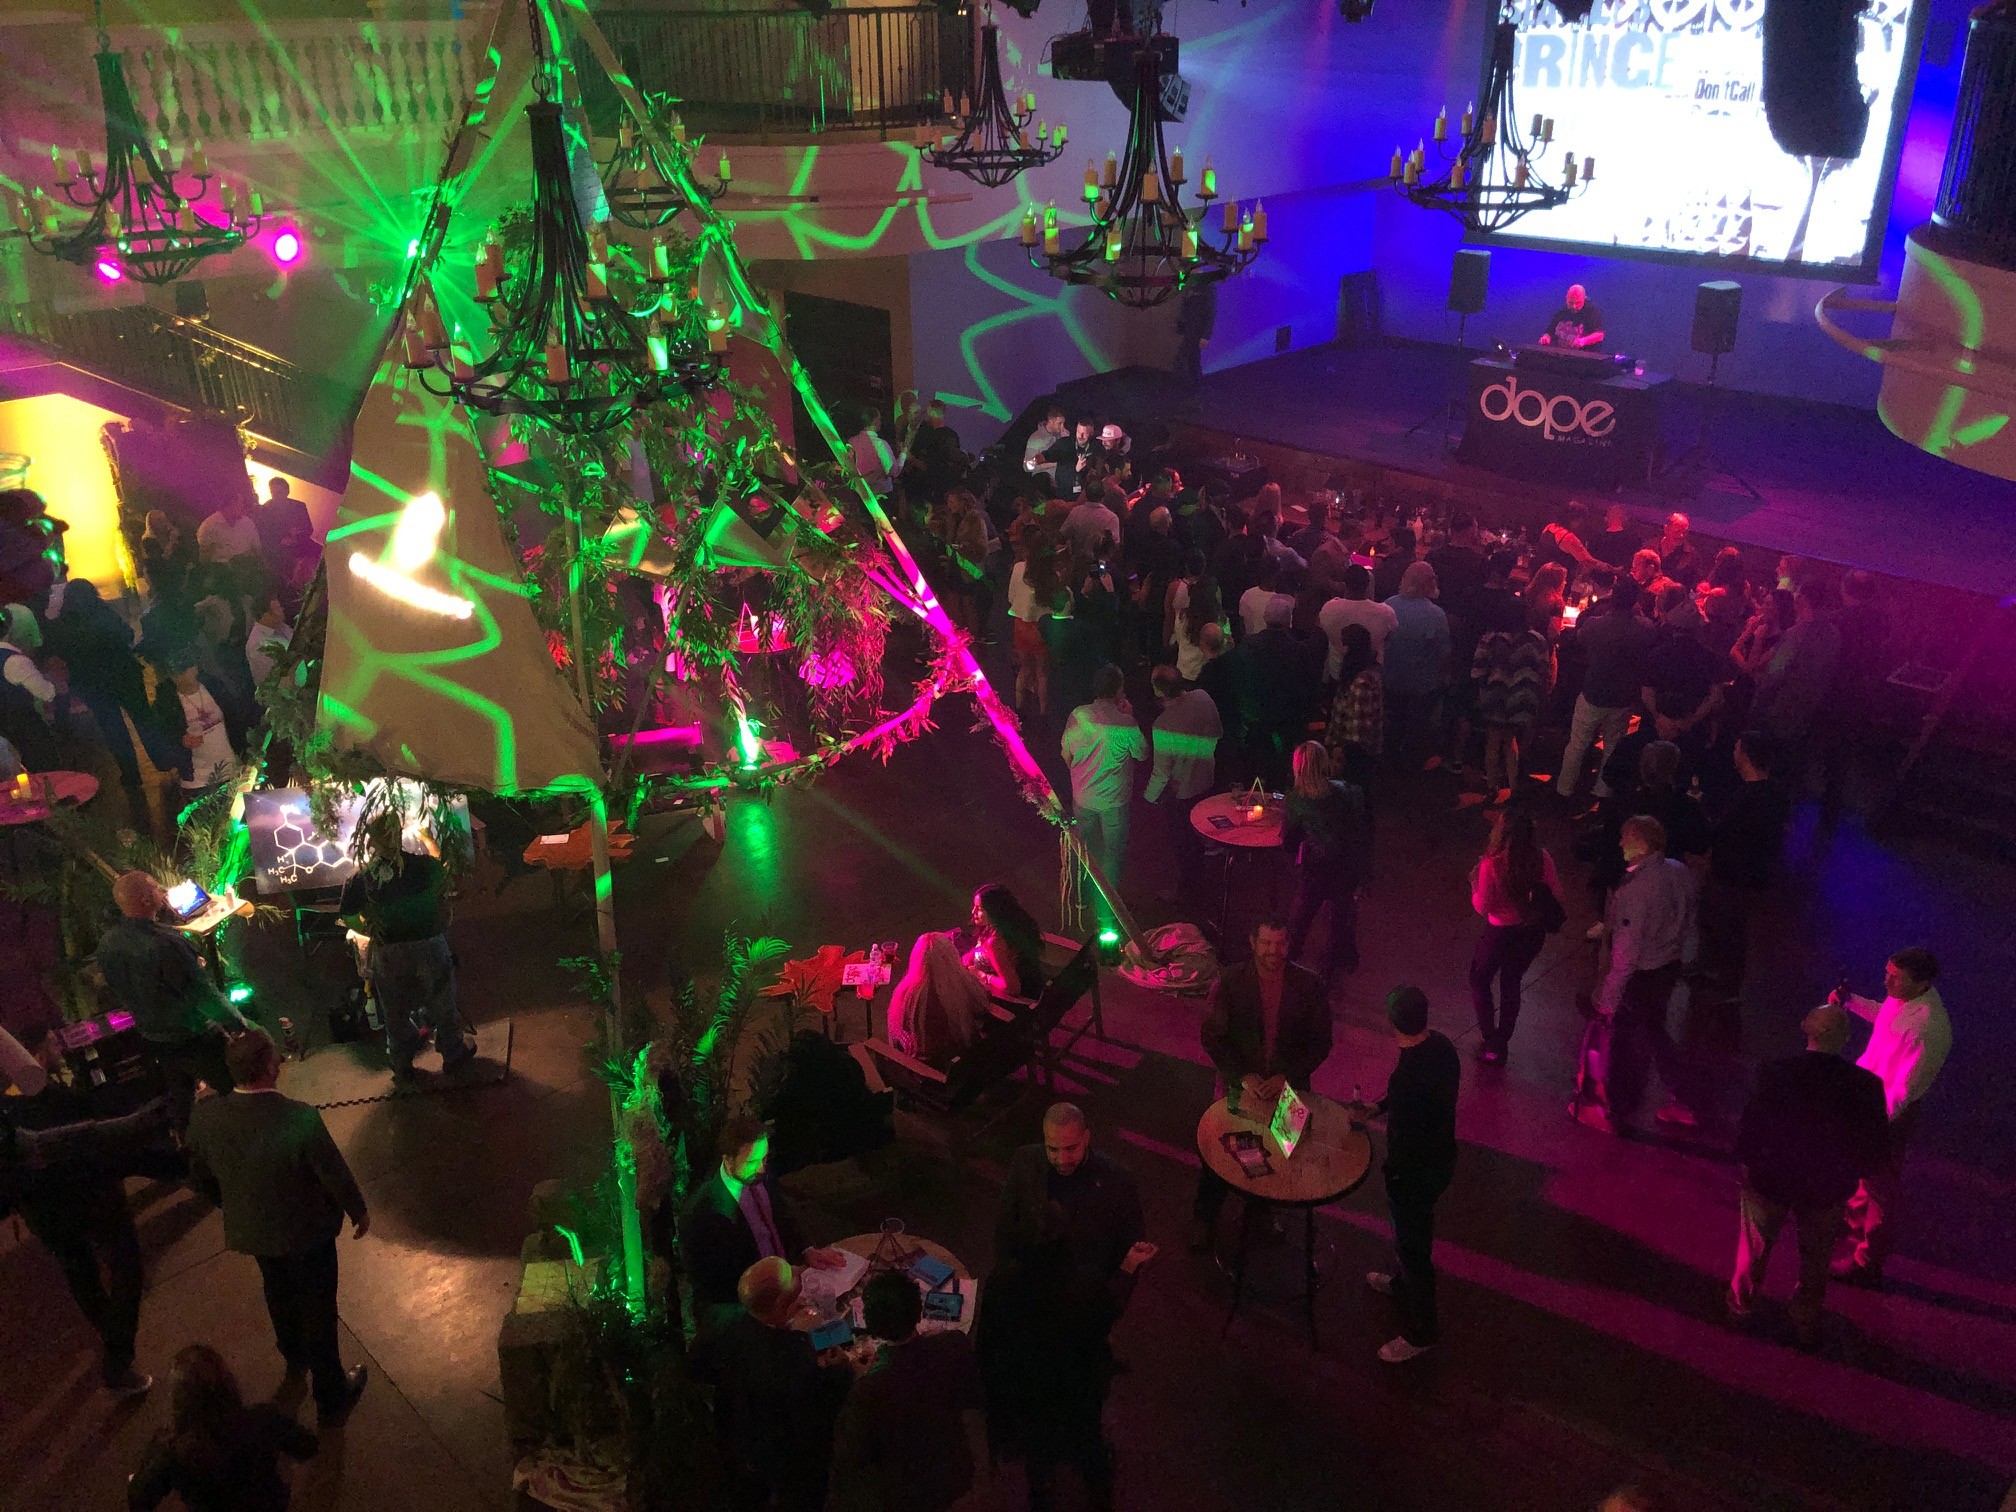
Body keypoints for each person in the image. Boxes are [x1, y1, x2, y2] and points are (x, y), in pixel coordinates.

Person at [185, 1029, 370, 1423]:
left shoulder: (206, 1117)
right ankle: (331, 1394)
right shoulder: (299, 1117)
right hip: (308, 1234)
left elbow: (198, 1176)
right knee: (319, 1307)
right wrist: (358, 1211)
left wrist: (229, 1202)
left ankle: (294, 1356)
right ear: (269, 1067)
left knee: (278, 1290)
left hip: (255, 1232)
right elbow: (333, 1174)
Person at [0, 1024, 163, 1398]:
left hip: (43, 1210)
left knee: (80, 1273)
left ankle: (115, 1346)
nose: (60, 1047)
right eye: (53, 1042)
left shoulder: (10, 1107)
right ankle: (117, 1357)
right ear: (39, 1051)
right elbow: (86, 1139)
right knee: (126, 1264)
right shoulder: (54, 1097)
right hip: (90, 1196)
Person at [1726, 1004, 1889, 1347]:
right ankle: (1804, 1318)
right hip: (1826, 1188)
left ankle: (1741, 1306)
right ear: (1846, 1038)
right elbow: (1874, 1146)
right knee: (1817, 1257)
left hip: (1770, 1179)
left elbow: (1751, 1126)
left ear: (1805, 1028)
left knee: (1755, 1248)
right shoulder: (1867, 1086)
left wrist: (1747, 1165)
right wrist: (1850, 1175)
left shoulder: (1774, 1072)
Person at [1189, 919, 1332, 1251]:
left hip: (1290, 1089)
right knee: (1224, 1154)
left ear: (1288, 944)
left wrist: (1287, 1077)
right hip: (1241, 1088)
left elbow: (1321, 1042)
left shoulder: (1310, 985)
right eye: (1267, 943)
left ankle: (1261, 1210)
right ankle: (1205, 1216)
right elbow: (1212, 1037)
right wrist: (1243, 1076)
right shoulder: (1230, 981)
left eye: (1280, 943)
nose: (1273, 951)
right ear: (1253, 942)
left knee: (1280, 1157)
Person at [980, 1197, 1122, 1511]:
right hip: (1078, 1387)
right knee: (1088, 1442)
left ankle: (1041, 1496)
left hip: (1027, 1390)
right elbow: (1102, 1327)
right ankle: (1098, 1493)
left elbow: (989, 1346)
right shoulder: (1087, 1283)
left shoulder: (1001, 1284)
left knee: (1038, 1450)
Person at [1830, 947, 1951, 1288]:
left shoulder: (1929, 1028)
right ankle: (1852, 1224)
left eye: (1895, 977)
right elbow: (1887, 1017)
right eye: (1887, 973)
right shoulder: (1904, 998)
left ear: (1922, 983)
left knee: (1881, 1188)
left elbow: (1902, 1092)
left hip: (1887, 1115)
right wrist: (1852, 1002)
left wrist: (1870, 1121)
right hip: (1870, 1102)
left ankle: (1868, 1263)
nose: (1886, 982)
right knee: (1862, 1171)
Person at [691, 1257, 851, 1512]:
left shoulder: (718, 1315)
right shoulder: (792, 1358)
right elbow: (819, 1413)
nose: (797, 1275)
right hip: (783, 1456)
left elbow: (697, 1369)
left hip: (736, 1430)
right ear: (780, 1305)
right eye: (792, 1279)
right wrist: (840, 1368)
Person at [1355, 985, 1461, 1362]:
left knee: (1414, 1248)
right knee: (1410, 1239)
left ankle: (1423, 1331)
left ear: (1391, 1021)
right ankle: (1401, 1284)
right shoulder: (1442, 1047)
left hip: (1413, 1175)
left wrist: (1393, 1174)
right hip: (1441, 1160)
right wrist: (1379, 1107)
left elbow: (1403, 1136)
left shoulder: (1406, 1078)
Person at [829, 1270, 986, 1512]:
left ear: (871, 1326)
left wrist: (855, 1377)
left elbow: (850, 1458)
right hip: (950, 1467)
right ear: (919, 1310)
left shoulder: (867, 1392)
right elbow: (971, 1396)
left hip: (903, 1491)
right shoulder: (955, 1343)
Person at [95, 871, 242, 1125]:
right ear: (145, 900)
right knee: (235, 1090)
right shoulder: (166, 942)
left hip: (153, 1037)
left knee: (181, 1100)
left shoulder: (107, 944)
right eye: (156, 888)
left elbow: (126, 986)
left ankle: (186, 1141)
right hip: (193, 1036)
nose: (163, 892)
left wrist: (185, 966)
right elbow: (203, 996)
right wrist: (240, 1024)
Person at [1581, 815, 1698, 1134]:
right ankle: (1683, 1097)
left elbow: (1626, 954)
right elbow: (1689, 918)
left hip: (1642, 975)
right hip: (1668, 965)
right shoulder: (1678, 871)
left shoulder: (1636, 891)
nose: (1620, 843)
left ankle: (1617, 1109)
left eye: (1626, 838)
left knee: (1625, 1044)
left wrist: (1607, 1000)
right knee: (1655, 1032)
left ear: (1642, 844)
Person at [337, 816, 474, 1083]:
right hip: (429, 945)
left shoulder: (361, 877)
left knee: (394, 1009)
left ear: (371, 840)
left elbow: (349, 917)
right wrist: (428, 839)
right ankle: (452, 1052)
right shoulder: (424, 866)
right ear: (399, 835)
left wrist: (374, 932)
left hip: (389, 952)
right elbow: (442, 871)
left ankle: (402, 1063)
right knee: (442, 1002)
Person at [682, 1113, 847, 1319]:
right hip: (756, 1311)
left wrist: (806, 1250)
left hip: (793, 1284)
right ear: (727, 1159)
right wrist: (772, 1303)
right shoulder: (701, 1214)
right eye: (752, 1161)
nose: (761, 1168)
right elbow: (713, 1287)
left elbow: (781, 1215)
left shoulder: (758, 1173)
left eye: (764, 1158)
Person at [995, 1103, 1153, 1311]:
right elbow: (1006, 1223)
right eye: (1053, 1149)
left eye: (1070, 1148)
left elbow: (1130, 1245)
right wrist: (1008, 1276)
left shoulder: (1118, 1181)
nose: (1062, 1160)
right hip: (1030, 1285)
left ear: (1086, 1138)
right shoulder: (1024, 1161)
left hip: (1084, 1299)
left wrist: (1109, 1302)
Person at [127, 1343, 320, 1510]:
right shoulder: (263, 1417)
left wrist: (143, 1468)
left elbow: (139, 1499)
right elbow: (307, 1446)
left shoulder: (172, 1450)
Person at [1696, 731, 1791, 1002]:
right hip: (1751, 874)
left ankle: (1727, 987)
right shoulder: (1775, 793)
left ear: (1745, 756)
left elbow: (1722, 833)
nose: (1733, 753)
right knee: (1722, 923)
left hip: (1732, 874)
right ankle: (1713, 972)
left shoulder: (1746, 797)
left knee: (1728, 929)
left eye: (1737, 749)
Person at [1468, 804, 1560, 1065]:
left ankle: (1490, 1040)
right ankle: (1502, 1041)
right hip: (1530, 933)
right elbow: (1556, 894)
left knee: (1479, 979)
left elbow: (1483, 906)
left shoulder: (1491, 864)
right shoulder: (1542, 857)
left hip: (1499, 934)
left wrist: (1474, 884)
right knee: (1511, 983)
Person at [1282, 741, 1371, 985]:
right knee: (1339, 920)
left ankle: (1284, 967)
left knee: (1299, 921)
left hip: (1316, 870)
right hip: (1346, 868)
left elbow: (1289, 841)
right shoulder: (1349, 791)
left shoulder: (1296, 799)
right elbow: (1361, 835)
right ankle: (1329, 976)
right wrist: (1363, 875)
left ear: (1298, 768)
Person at [1558, 582, 1654, 805]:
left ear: (1613, 598)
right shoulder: (1646, 629)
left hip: (1594, 690)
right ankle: (1602, 792)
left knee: (1578, 743)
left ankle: (1564, 790)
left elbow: (1579, 640)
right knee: (1612, 746)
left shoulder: (1595, 624)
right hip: (1623, 696)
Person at [1060, 665, 1145, 901]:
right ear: (1119, 691)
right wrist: (1129, 717)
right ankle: (1109, 903)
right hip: (1114, 799)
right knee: (1113, 851)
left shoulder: (1078, 714)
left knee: (1082, 846)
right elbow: (1142, 753)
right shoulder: (1125, 724)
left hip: (1082, 796)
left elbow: (1066, 753)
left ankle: (1079, 895)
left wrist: (1080, 776)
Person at [1144, 664, 1222, 905]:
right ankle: (1205, 885)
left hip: (1183, 790)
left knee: (1185, 845)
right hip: (1207, 779)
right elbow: (1218, 733)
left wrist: (1148, 798)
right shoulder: (1203, 697)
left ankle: (1189, 896)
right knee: (1200, 837)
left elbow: (1161, 771)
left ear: (1158, 691)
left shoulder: (1163, 724)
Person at [1469, 604, 1551, 802]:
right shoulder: (1536, 640)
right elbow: (1544, 669)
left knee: (1493, 741)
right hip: (1521, 700)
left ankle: (1492, 787)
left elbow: (1478, 669)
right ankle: (1514, 788)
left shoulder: (1490, 638)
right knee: (1510, 740)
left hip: (1494, 696)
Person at [1749, 580, 1843, 752]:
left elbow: (1774, 674)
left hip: (1780, 712)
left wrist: (1756, 708)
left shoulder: (1796, 634)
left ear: (1801, 598)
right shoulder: (1834, 634)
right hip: (1808, 713)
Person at [1382, 561, 1450, 772]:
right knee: (1416, 726)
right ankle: (1411, 766)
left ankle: (1389, 762)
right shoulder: (1436, 615)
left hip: (1390, 677)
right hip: (1421, 683)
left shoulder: (1388, 605)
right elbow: (1444, 652)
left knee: (1392, 722)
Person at [887, 930, 992, 1063]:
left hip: (926, 1068)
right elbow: (983, 1005)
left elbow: (900, 1032)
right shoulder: (964, 984)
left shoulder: (907, 994)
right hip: (965, 1061)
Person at [0, 600, 60, 772]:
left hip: (5, 733)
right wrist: (56, 679)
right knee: (46, 771)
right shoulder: (14, 661)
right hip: (25, 728)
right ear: (10, 627)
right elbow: (47, 693)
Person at [1323, 622, 1384, 788]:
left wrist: (1341, 750)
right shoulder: (1361, 673)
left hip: (1355, 755)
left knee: (1354, 793)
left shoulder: (1361, 682)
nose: (1338, 648)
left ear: (1350, 647)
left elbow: (1359, 730)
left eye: (1342, 643)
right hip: (1352, 751)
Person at [1007, 537, 1061, 716]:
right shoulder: (1053, 576)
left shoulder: (1018, 568)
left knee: (1024, 668)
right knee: (1042, 672)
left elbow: (1011, 597)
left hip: (1021, 625)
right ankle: (1043, 712)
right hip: (1042, 628)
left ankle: (1019, 707)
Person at [967, 882, 1046, 999]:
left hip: (1017, 1001)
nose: (973, 912)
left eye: (979, 909)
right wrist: (970, 955)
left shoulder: (996, 942)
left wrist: (981, 975)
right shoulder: (1005, 928)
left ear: (994, 912)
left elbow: (1012, 988)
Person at [1170, 567, 1227, 682]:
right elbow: (1225, 645)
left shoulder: (1182, 615)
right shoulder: (1219, 619)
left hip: (1185, 670)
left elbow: (1179, 639)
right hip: (1208, 673)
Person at [197, 488, 263, 567]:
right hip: (220, 568)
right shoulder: (210, 525)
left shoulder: (248, 523)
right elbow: (205, 557)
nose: (243, 507)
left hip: (245, 567)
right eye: (240, 503)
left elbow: (257, 549)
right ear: (231, 503)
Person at [244, 593, 292, 688]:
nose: (282, 609)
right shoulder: (257, 644)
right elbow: (275, 675)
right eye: (278, 608)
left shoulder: (281, 626)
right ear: (266, 616)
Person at [846, 406, 894, 499]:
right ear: (875, 421)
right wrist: (904, 455)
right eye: (880, 419)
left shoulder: (852, 441)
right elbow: (892, 470)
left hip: (859, 493)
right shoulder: (879, 443)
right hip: (880, 494)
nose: (881, 422)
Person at [1539, 282, 1605, 348]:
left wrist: (1583, 341)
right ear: (1566, 298)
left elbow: (1600, 335)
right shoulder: (1561, 313)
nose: (1574, 306)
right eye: (1570, 303)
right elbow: (1550, 332)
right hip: (1560, 352)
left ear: (1584, 299)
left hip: (1583, 353)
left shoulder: (1592, 312)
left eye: (1578, 303)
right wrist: (1546, 338)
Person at [1022, 407, 1072, 487]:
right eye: (1059, 423)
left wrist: (1066, 440)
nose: (1062, 427)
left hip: (1063, 480)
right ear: (1051, 422)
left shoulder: (1061, 435)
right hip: (1045, 482)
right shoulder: (1036, 439)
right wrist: (1053, 464)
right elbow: (1027, 466)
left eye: (1063, 423)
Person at [1371, 524, 1416, 604]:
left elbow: (1375, 583)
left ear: (1399, 548)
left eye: (1390, 541)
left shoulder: (1392, 568)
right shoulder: (1413, 563)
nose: (1386, 543)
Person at [1654, 512, 1698, 591]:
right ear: (1666, 529)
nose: (1681, 535)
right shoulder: (1651, 547)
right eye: (1677, 531)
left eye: (1684, 532)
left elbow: (1695, 582)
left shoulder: (1691, 555)